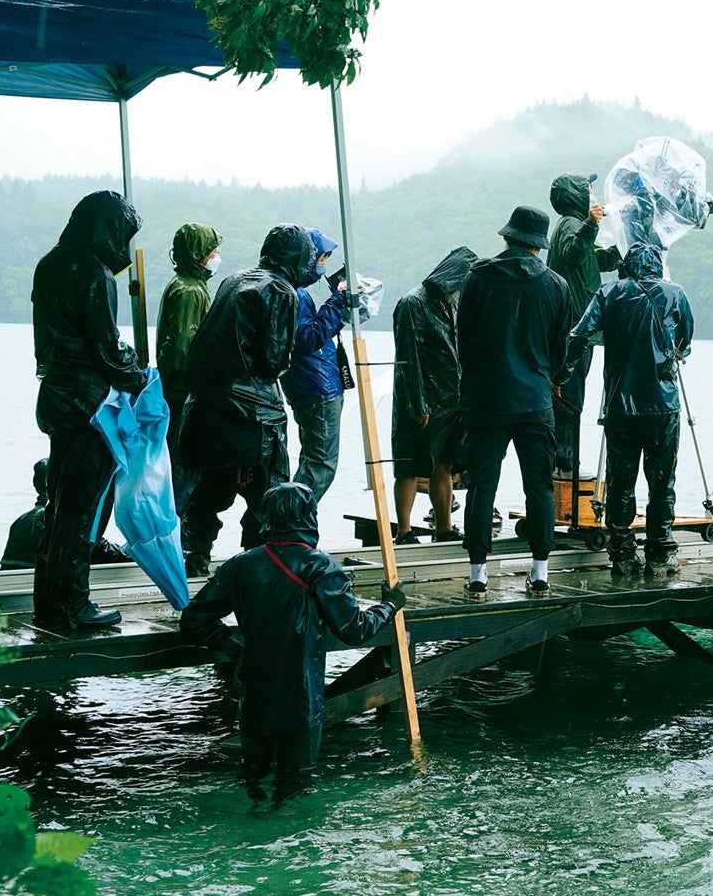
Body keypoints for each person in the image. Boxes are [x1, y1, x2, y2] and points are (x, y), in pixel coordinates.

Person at [179, 482, 406, 805]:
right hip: (301, 697)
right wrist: (390, 605)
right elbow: (354, 629)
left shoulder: (240, 565)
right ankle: (286, 838)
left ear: (267, 518)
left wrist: (233, 648)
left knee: (253, 779)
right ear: (309, 517)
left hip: (255, 691)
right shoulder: (321, 567)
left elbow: (193, 619)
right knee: (296, 783)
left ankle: (249, 835)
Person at [30, 189, 147, 630]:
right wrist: (136, 373)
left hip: (57, 398)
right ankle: (73, 606)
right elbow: (104, 348)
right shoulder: (95, 273)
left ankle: (50, 603)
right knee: (82, 512)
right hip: (88, 405)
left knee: (59, 507)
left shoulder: (50, 264)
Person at [178, 224, 319, 580]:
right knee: (266, 496)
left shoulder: (234, 279)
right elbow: (274, 359)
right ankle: (258, 566)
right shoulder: (281, 291)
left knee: (209, 492)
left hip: (208, 408)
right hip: (254, 414)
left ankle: (193, 559)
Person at [560, 243, 693, 586]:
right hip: (663, 405)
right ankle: (660, 554)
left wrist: (562, 373)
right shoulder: (674, 293)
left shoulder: (609, 293)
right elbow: (686, 339)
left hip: (620, 405)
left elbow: (579, 335)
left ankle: (622, 553)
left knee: (621, 481)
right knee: (662, 481)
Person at [457, 206, 570, 600]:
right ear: (539, 244)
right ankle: (539, 572)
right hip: (535, 401)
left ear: (507, 236)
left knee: (480, 487)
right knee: (538, 486)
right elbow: (561, 346)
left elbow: (464, 338)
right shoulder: (556, 285)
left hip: (484, 400)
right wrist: (552, 378)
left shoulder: (477, 278)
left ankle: (477, 575)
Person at [391, 246, 477, 545]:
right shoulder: (412, 303)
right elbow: (408, 359)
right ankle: (404, 530)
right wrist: (418, 403)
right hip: (422, 400)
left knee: (444, 464)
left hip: (450, 401)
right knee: (410, 465)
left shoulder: (449, 303)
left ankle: (445, 528)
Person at [546, 172, 621, 477]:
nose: (592, 194)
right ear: (576, 195)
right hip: (573, 331)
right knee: (569, 398)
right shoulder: (571, 225)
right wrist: (591, 224)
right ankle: (564, 464)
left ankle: (565, 462)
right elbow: (574, 253)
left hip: (579, 331)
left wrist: (627, 244)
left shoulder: (575, 227)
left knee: (571, 396)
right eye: (587, 189)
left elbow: (596, 261)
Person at [281, 228, 360, 505]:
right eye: (322, 257)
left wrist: (337, 310)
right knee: (320, 467)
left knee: (311, 462)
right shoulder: (295, 294)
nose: (324, 264)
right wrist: (338, 300)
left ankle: (289, 523)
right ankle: (291, 523)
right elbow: (308, 338)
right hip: (318, 387)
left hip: (312, 386)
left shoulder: (294, 290)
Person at [155, 222, 223, 515]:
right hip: (182, 394)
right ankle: (176, 534)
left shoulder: (184, 285)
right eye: (213, 251)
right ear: (199, 254)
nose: (216, 256)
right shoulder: (190, 291)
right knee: (183, 469)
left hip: (175, 392)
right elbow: (182, 347)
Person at [1, 458, 131, 570]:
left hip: (11, 583)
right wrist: (132, 554)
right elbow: (93, 547)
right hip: (38, 586)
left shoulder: (21, 520)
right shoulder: (54, 518)